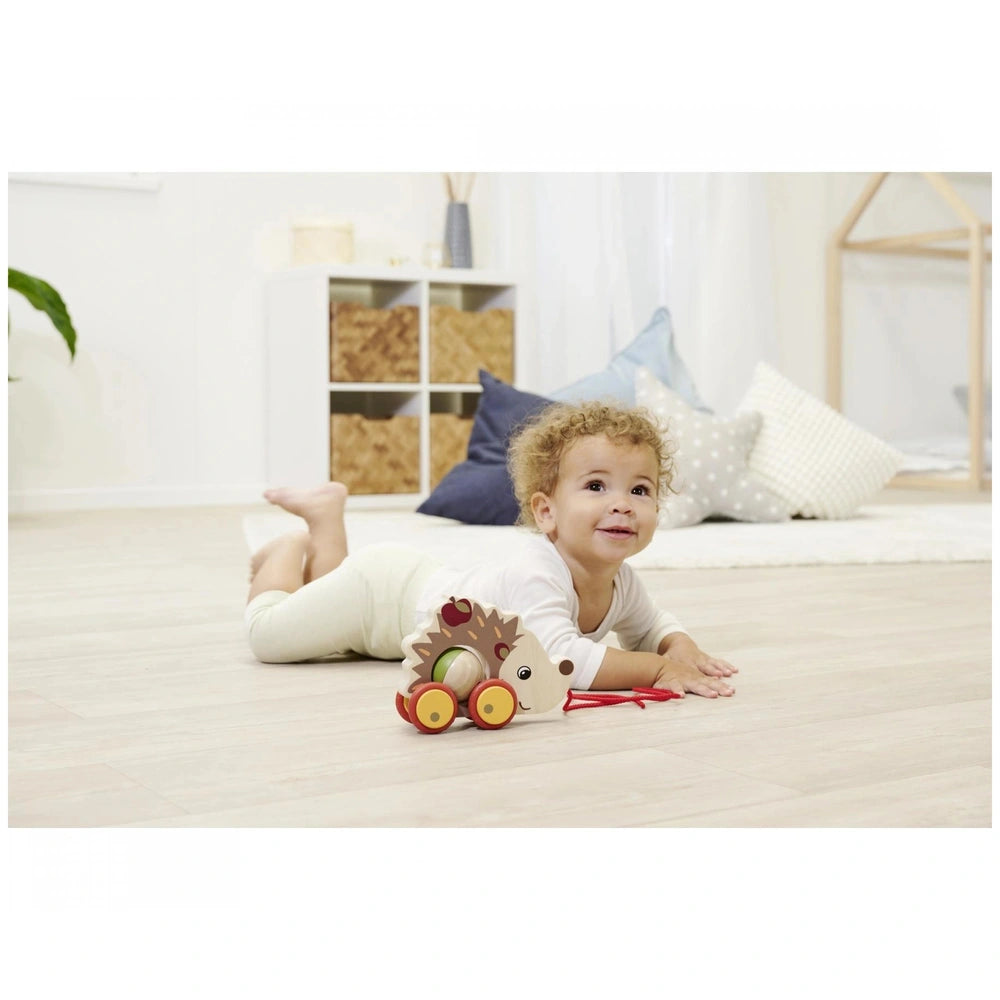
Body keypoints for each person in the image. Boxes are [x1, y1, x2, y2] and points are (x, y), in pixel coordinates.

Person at [246, 400, 736, 698]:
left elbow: (650, 625)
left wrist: (679, 646)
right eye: (596, 486)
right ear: (546, 513)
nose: (622, 505)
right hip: (384, 593)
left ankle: (326, 520)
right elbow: (560, 662)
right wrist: (657, 668)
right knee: (270, 636)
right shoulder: (537, 571)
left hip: (411, 595)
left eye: (639, 490)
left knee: (339, 629)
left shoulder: (620, 582)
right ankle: (285, 552)